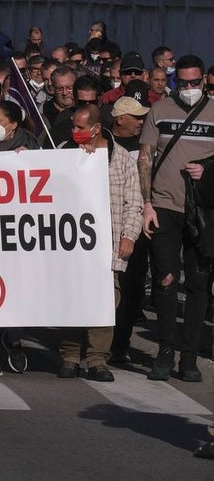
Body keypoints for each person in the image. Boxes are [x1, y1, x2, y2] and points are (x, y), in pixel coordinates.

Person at [138, 54, 213, 382]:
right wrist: (146, 203)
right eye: (181, 83)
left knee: (198, 285)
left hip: (204, 209)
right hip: (165, 206)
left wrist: (208, 170)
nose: (188, 88)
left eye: (194, 83)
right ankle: (166, 350)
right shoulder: (160, 110)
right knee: (165, 279)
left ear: (204, 81)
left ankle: (190, 356)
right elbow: (145, 158)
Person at [58, 105, 141, 382]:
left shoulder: (122, 160)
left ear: (95, 128)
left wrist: (129, 235)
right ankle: (70, 356)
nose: (75, 132)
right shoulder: (62, 152)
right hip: (72, 246)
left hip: (108, 244)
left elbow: (134, 202)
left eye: (80, 128)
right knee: (71, 300)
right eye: (73, 127)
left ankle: (97, 359)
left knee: (105, 302)